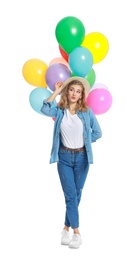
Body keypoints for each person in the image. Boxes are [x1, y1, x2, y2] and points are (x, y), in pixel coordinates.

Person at [41, 76, 102, 249]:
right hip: (64, 158)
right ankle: (77, 233)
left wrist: (87, 141)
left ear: (82, 94)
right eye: (72, 90)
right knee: (70, 195)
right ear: (67, 91)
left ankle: (65, 228)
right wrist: (56, 92)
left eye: (78, 91)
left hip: (82, 158)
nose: (74, 93)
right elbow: (45, 108)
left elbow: (97, 132)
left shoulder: (87, 112)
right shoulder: (59, 110)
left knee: (76, 194)